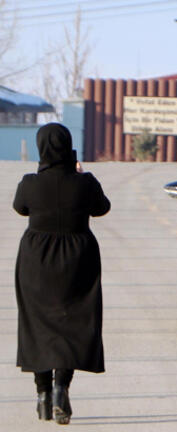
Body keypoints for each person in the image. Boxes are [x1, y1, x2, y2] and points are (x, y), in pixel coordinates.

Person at [13, 123, 111, 425]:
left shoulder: (30, 182)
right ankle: (60, 389)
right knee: (72, 322)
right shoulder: (85, 182)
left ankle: (42, 395)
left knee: (37, 325)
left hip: (36, 261)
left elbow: (21, 208)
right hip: (77, 260)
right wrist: (80, 176)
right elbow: (102, 208)